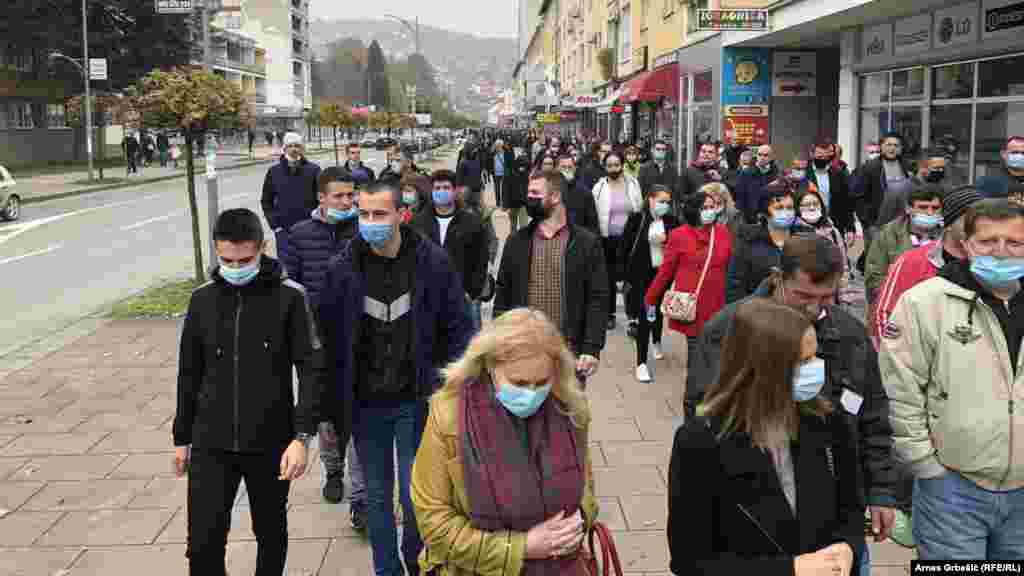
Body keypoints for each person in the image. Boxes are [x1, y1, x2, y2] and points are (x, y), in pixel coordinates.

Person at [687, 235, 897, 575]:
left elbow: (872, 414)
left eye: (826, 298)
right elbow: (694, 552)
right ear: (778, 278)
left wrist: (879, 494)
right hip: (758, 535)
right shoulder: (728, 330)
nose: (813, 309)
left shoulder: (848, 335)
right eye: (803, 296)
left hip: (828, 533)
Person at [320, 180, 473, 576]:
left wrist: (456, 390)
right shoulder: (342, 270)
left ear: (401, 214)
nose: (370, 222)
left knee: (414, 493)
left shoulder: (432, 263)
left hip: (416, 401)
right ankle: (386, 569)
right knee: (375, 496)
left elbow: (458, 329)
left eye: (379, 214)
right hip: (366, 403)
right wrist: (326, 404)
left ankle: (418, 561)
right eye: (364, 214)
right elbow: (328, 340)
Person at [173, 208, 323, 576]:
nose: (235, 266)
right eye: (226, 259)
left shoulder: (290, 297)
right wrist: (182, 438)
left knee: (271, 534)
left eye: (244, 259)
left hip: (271, 440)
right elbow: (189, 371)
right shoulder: (203, 299)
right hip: (211, 441)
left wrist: (302, 437)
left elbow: (310, 369)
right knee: (203, 544)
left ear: (262, 249)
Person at [669, 299, 864, 576]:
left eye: (815, 356)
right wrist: (790, 570)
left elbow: (850, 511)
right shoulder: (700, 443)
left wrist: (848, 548)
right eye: (804, 361)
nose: (816, 368)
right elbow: (690, 560)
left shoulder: (830, 422)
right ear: (765, 369)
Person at [880, 198, 1024, 560]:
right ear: (965, 246)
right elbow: (900, 388)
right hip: (952, 489)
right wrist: (925, 465)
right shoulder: (924, 303)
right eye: (988, 242)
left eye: (1014, 243)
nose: (1002, 252)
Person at [410, 309, 597, 576]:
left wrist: (580, 517)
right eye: (519, 382)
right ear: (489, 366)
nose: (531, 393)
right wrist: (521, 548)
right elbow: (434, 522)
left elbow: (586, 486)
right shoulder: (449, 416)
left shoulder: (570, 408)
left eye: (541, 382)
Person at [278, 168, 366, 517]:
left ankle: (361, 491)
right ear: (322, 199)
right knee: (327, 414)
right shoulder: (300, 235)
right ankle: (332, 469)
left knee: (361, 411)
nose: (348, 201)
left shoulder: (364, 230)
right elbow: (290, 289)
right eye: (340, 196)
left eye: (351, 194)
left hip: (361, 336)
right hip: (317, 341)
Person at [494, 170, 608, 387]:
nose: (529, 199)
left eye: (535, 193)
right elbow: (503, 294)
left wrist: (592, 348)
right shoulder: (517, 242)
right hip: (524, 351)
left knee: (569, 417)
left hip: (569, 353)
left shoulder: (586, 244)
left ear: (555, 197)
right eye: (528, 193)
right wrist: (500, 341)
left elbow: (598, 298)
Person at [645, 190, 732, 396]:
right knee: (697, 357)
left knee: (716, 355)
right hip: (693, 307)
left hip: (719, 303)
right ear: (694, 210)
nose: (710, 212)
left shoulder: (722, 233)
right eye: (705, 208)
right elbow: (666, 271)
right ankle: (693, 402)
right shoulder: (679, 235)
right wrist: (650, 298)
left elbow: (731, 267)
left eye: (713, 207)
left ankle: (711, 397)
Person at [412, 170, 489, 332]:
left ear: (454, 191)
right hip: (429, 298)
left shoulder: (472, 223)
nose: (441, 192)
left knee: (469, 346)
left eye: (446, 187)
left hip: (463, 298)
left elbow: (481, 260)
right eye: (437, 188)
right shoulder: (418, 223)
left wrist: (472, 292)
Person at [622, 184, 679, 381]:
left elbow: (680, 242)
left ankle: (656, 340)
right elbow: (625, 246)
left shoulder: (671, 221)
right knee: (645, 314)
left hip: (662, 274)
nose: (665, 205)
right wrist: (623, 276)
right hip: (641, 276)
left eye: (667, 202)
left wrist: (667, 239)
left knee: (656, 312)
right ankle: (641, 363)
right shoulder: (638, 219)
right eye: (661, 201)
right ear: (651, 200)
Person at [864, 183, 944, 311]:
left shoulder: (947, 236)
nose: (929, 213)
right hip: (896, 307)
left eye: (935, 208)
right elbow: (874, 278)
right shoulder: (887, 235)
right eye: (923, 207)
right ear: (908, 209)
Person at [591, 150, 643, 329]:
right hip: (608, 239)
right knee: (608, 277)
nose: (613, 168)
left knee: (631, 277)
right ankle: (609, 314)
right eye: (609, 165)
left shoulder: (633, 184)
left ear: (622, 165)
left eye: (616, 164)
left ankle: (633, 316)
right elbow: (595, 213)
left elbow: (639, 208)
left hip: (629, 239)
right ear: (605, 167)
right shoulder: (599, 188)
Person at [726, 181, 795, 303]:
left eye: (790, 208)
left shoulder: (803, 238)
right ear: (765, 212)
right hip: (759, 312)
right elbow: (735, 286)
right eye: (779, 208)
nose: (786, 212)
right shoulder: (748, 242)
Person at [855, 132, 912, 273]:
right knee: (876, 257)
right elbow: (859, 196)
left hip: (900, 220)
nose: (892, 148)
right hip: (876, 221)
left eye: (896, 145)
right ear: (881, 147)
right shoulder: (870, 167)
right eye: (888, 145)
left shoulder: (907, 167)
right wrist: (867, 221)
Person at [260, 132, 321, 259]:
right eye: (290, 145)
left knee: (310, 265)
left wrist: (317, 221)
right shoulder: (274, 172)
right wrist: (275, 226)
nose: (294, 149)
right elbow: (266, 201)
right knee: (287, 268)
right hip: (284, 231)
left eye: (297, 145)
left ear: (302, 148)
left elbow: (322, 198)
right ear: (285, 148)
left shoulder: (314, 170)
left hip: (310, 229)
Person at [807, 140, 855, 236]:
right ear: (811, 154)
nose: (823, 159)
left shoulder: (839, 174)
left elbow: (846, 202)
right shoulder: (804, 174)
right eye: (819, 156)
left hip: (834, 225)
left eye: (826, 157)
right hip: (808, 226)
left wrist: (850, 228)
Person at [555, 154, 600, 234]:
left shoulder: (585, 192)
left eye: (570, 167)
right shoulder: (550, 191)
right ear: (556, 169)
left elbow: (592, 222)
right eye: (563, 167)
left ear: (575, 169)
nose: (567, 170)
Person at [736, 144, 780, 223]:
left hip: (770, 216)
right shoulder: (746, 173)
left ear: (771, 157)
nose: (762, 158)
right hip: (750, 217)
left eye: (765, 155)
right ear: (756, 155)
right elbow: (740, 197)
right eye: (759, 154)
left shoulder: (776, 174)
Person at [491, 139, 514, 207]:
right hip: (496, 173)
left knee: (504, 189)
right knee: (497, 189)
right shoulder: (493, 154)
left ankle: (504, 202)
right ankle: (498, 202)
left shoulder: (506, 153)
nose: (498, 147)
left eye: (500, 146)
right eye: (497, 146)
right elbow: (489, 162)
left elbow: (510, 162)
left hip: (504, 173)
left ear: (502, 146)